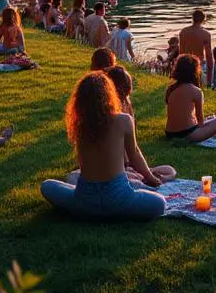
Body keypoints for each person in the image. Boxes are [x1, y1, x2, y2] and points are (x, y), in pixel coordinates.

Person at [40, 72, 167, 221]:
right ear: (109, 95)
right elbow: (134, 155)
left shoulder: (79, 125)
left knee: (47, 186)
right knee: (160, 203)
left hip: (85, 202)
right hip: (119, 200)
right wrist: (151, 178)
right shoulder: (123, 120)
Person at [102, 65, 176, 182]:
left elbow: (133, 149)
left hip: (128, 166)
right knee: (137, 177)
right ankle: (145, 178)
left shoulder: (127, 106)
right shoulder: (108, 115)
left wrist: (142, 170)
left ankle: (150, 177)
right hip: (115, 169)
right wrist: (148, 176)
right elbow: (132, 153)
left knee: (170, 170)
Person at [162, 54, 216, 142]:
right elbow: (201, 123)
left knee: (211, 119)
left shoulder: (171, 88)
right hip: (187, 134)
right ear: (195, 71)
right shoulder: (196, 91)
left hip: (169, 133)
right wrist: (212, 128)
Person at [178, 9, 214, 81]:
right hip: (198, 64)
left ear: (192, 18)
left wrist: (179, 69)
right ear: (203, 20)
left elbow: (181, 52)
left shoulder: (183, 31)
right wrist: (209, 82)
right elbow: (209, 56)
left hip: (185, 64)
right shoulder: (206, 34)